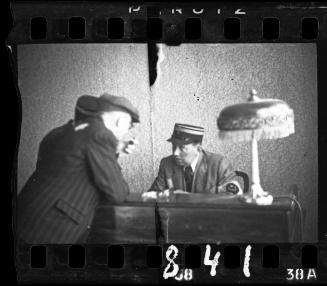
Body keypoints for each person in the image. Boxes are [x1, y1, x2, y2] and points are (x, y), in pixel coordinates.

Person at [17, 93, 139, 244]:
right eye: (129, 126)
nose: (126, 132)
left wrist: (114, 149)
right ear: (121, 122)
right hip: (47, 227)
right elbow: (117, 192)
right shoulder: (100, 135)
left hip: (30, 217)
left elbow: (79, 165)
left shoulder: (70, 130)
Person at [146, 123, 242, 196]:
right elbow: (152, 195)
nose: (175, 153)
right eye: (174, 146)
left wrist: (189, 197)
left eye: (182, 148)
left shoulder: (219, 164)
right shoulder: (166, 163)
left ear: (198, 148)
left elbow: (232, 197)